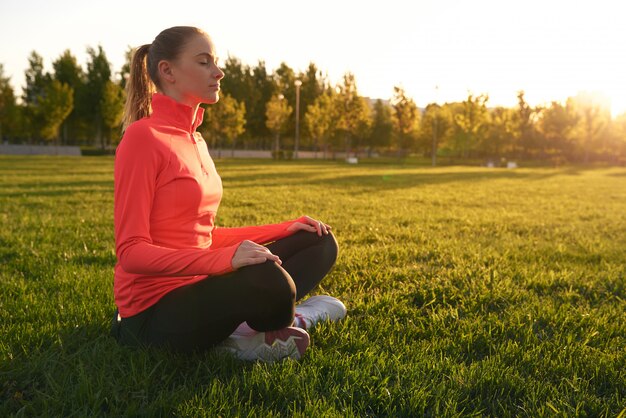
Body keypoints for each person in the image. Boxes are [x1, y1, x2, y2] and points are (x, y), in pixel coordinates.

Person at [110, 26, 346, 362]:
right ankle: (282, 321)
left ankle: (250, 330)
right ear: (168, 71)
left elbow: (202, 238)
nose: (218, 72)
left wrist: (284, 229)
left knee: (318, 240)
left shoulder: (196, 139)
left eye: (215, 62)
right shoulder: (142, 138)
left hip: (201, 284)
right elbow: (132, 252)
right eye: (204, 62)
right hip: (153, 314)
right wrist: (227, 260)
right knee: (269, 280)